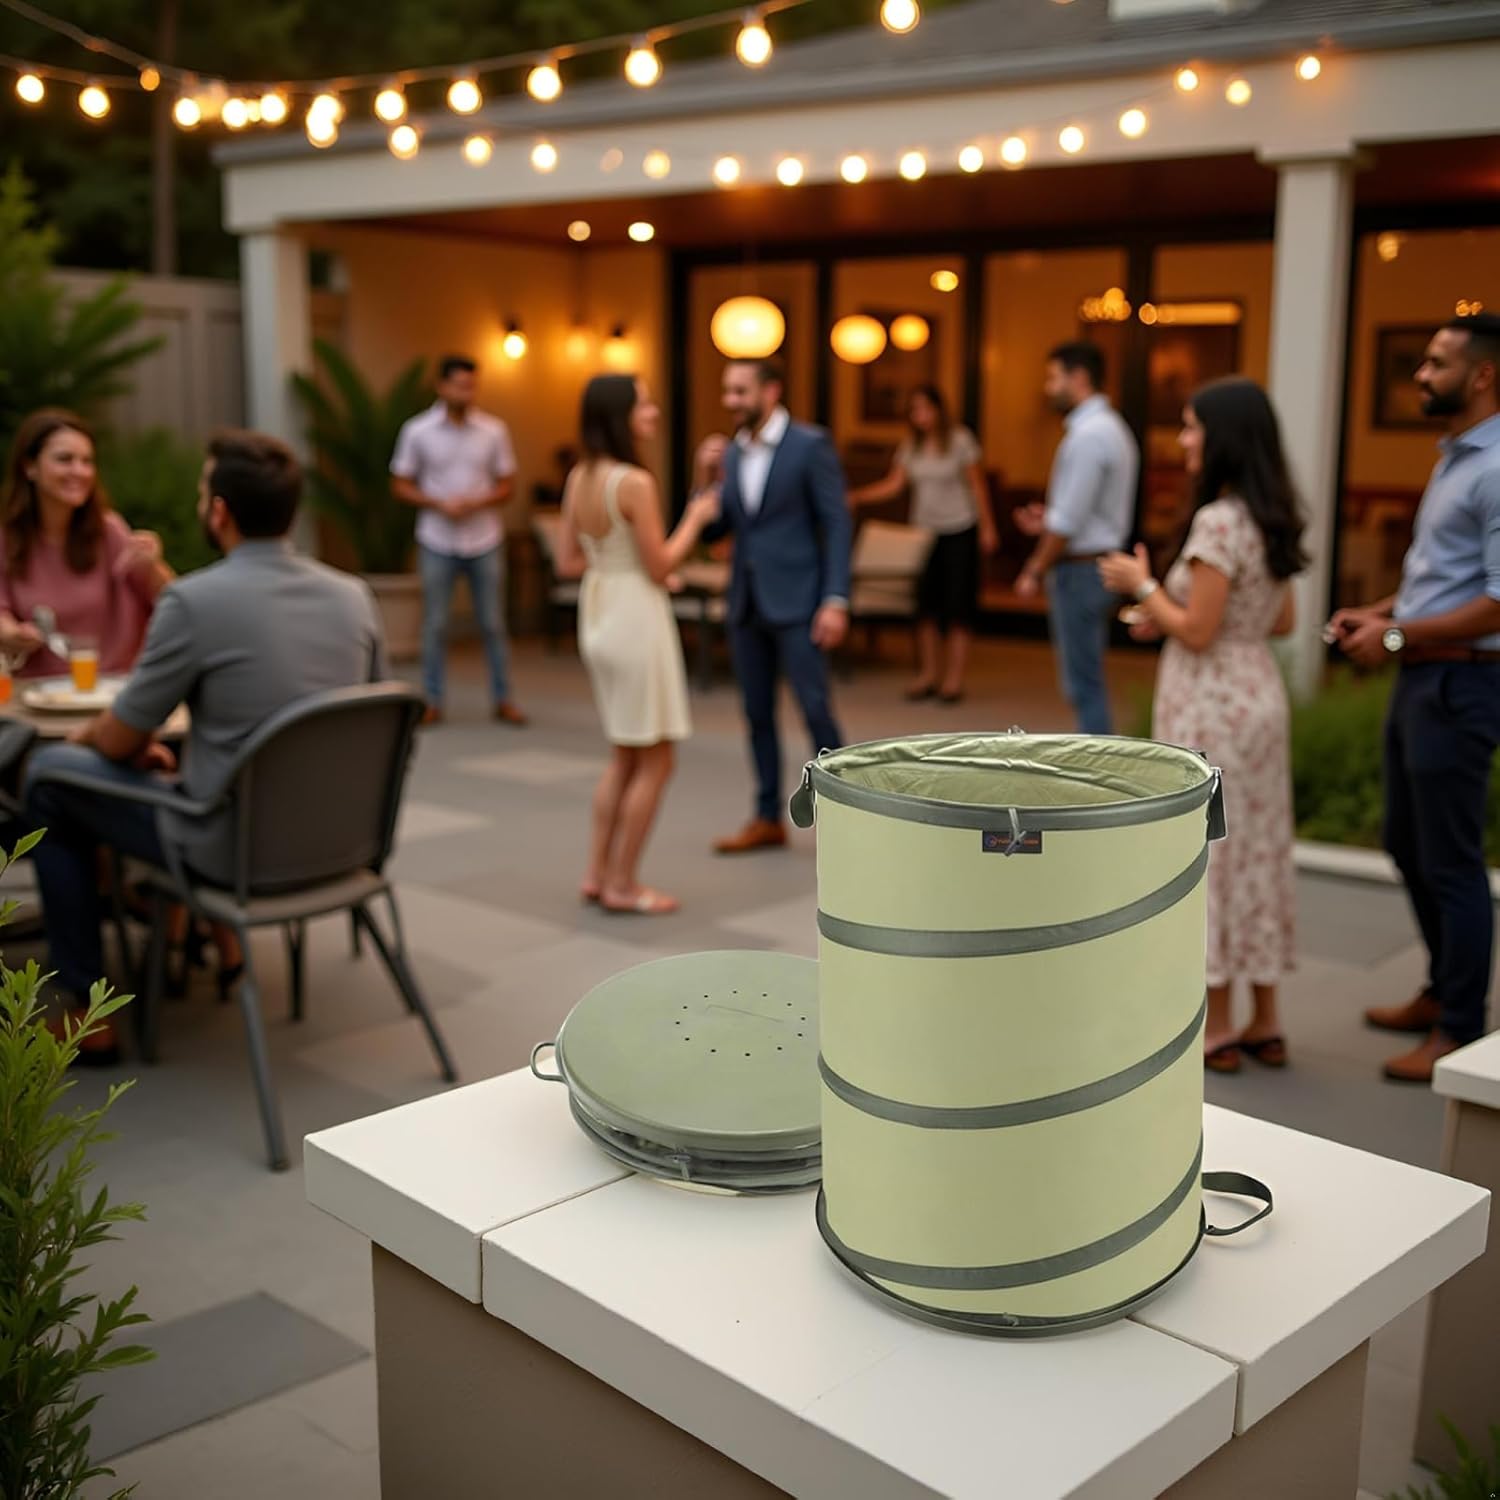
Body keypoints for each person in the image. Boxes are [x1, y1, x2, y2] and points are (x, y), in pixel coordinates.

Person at [25, 429, 385, 1065]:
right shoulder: (353, 596)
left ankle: (86, 1014)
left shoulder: (194, 601)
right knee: (169, 769)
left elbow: (119, 737)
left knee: (50, 776)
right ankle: (162, 919)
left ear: (219, 512)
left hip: (231, 850)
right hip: (347, 846)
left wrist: (89, 739)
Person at [1100, 379, 1306, 1074]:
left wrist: (1142, 587)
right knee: (1258, 848)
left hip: (1211, 699)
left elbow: (1196, 631)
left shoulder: (1217, 521)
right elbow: (1282, 619)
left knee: (1210, 846)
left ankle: (1216, 1023)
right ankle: (1266, 1017)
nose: (1184, 439)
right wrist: (1162, 609)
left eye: (1191, 427)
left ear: (1223, 438)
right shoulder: (1270, 516)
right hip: (1258, 691)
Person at [1327, 312, 1500, 1083]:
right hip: (1423, 674)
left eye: (1435, 364)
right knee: (1406, 841)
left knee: (1452, 861)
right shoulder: (1454, 457)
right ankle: (1439, 990)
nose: (1421, 376)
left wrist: (1396, 636)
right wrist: (1380, 614)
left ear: (1482, 374)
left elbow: (1497, 602)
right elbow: (1441, 580)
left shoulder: (1496, 466)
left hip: (1462, 680)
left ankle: (1460, 1027)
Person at [556, 376, 718, 915]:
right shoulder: (634, 481)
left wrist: (622, 566)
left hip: (600, 611)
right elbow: (659, 562)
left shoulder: (580, 476)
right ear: (620, 415)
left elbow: (569, 562)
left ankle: (596, 873)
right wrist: (695, 518)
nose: (653, 411)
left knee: (624, 754)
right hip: (636, 619)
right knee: (657, 760)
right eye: (644, 403)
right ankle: (623, 883)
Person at [693, 359, 852, 854]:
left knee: (815, 710)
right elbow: (714, 530)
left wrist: (835, 598)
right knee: (756, 713)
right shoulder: (732, 452)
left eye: (740, 391)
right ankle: (766, 817)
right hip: (747, 602)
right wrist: (704, 477)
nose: (730, 401)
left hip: (801, 600)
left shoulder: (810, 445)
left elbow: (837, 525)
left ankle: (849, 818)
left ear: (771, 390)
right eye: (727, 391)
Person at [390, 355, 525, 727]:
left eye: (472, 385)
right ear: (442, 386)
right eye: (460, 385)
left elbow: (507, 484)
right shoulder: (417, 431)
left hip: (484, 538)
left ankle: (503, 698)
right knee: (434, 624)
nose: (467, 392)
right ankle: (432, 701)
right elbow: (400, 483)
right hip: (437, 538)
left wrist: (477, 502)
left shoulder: (493, 431)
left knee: (493, 622)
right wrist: (437, 503)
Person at [1014, 343, 1139, 733]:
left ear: (1079, 378)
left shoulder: (1089, 435)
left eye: (1054, 378)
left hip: (1081, 571)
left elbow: (1069, 522)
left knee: (1083, 685)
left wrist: (1034, 568)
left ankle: (1098, 766)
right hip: (1095, 562)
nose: (1048, 388)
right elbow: (1081, 511)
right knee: (1086, 680)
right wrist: (1049, 520)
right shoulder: (1110, 427)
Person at [850, 385, 999, 702]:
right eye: (914, 411)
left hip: (959, 529)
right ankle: (929, 674)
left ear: (939, 409)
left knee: (958, 607)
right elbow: (894, 485)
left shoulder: (960, 440)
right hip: (925, 533)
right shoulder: (911, 446)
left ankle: (953, 680)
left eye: (925, 409)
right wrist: (857, 497)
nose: (920, 416)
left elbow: (978, 486)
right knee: (926, 607)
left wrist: (988, 528)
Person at [1, 409, 172, 677]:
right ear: (30, 467)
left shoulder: (109, 531)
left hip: (109, 689)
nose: (79, 471)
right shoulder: (6, 539)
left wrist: (153, 565)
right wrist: (12, 633)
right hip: (36, 693)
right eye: (65, 459)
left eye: (87, 461)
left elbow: (172, 602)